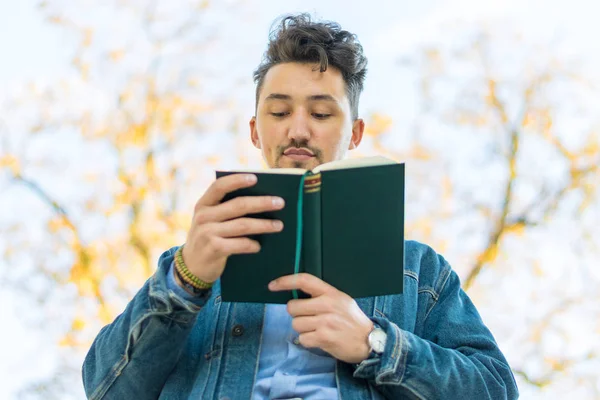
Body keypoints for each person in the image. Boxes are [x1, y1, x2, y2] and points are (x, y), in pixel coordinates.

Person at [82, 13, 519, 400]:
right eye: (279, 113)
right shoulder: (197, 263)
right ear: (255, 132)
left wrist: (374, 342)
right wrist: (186, 279)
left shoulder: (417, 271)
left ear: (355, 134)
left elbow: (496, 389)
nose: (298, 131)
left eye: (322, 114)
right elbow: (105, 389)